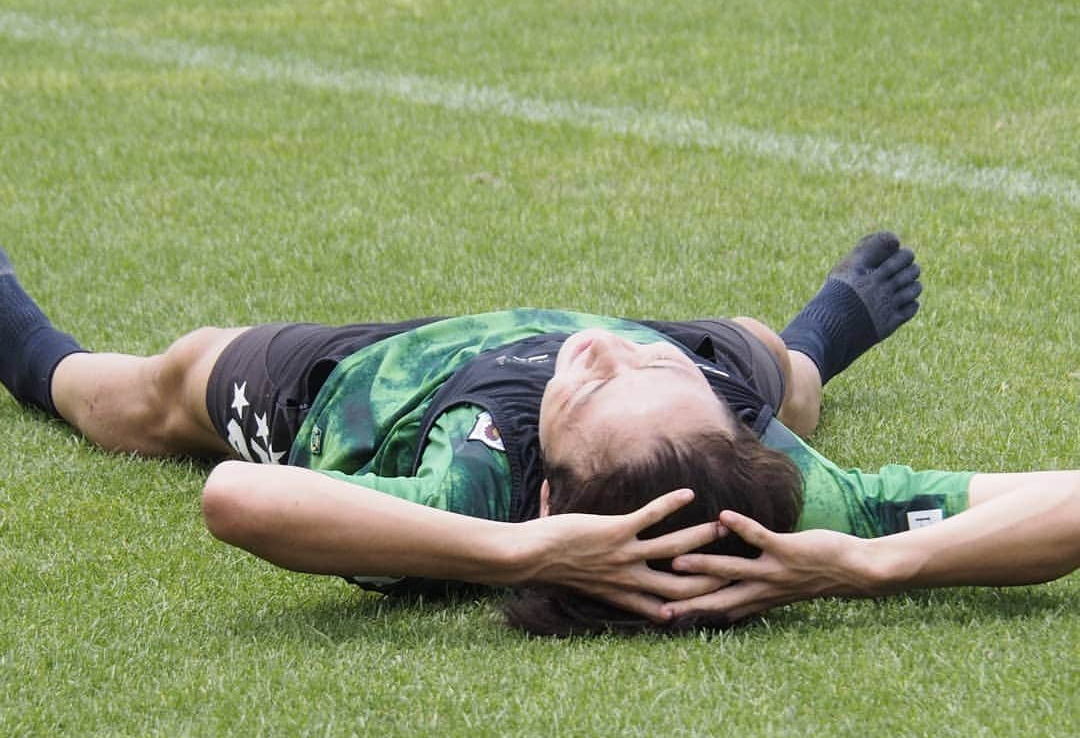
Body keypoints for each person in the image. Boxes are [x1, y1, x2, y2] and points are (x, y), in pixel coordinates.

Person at [1, 235, 1075, 634]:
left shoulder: (480, 487)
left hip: (381, 381)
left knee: (156, 390)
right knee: (773, 369)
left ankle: (24, 342)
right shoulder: (763, 471)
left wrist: (520, 553)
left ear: (551, 496)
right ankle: (808, 340)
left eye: (604, 383)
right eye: (646, 360)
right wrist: (869, 559)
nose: (611, 344)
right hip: (723, 396)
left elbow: (235, 501)